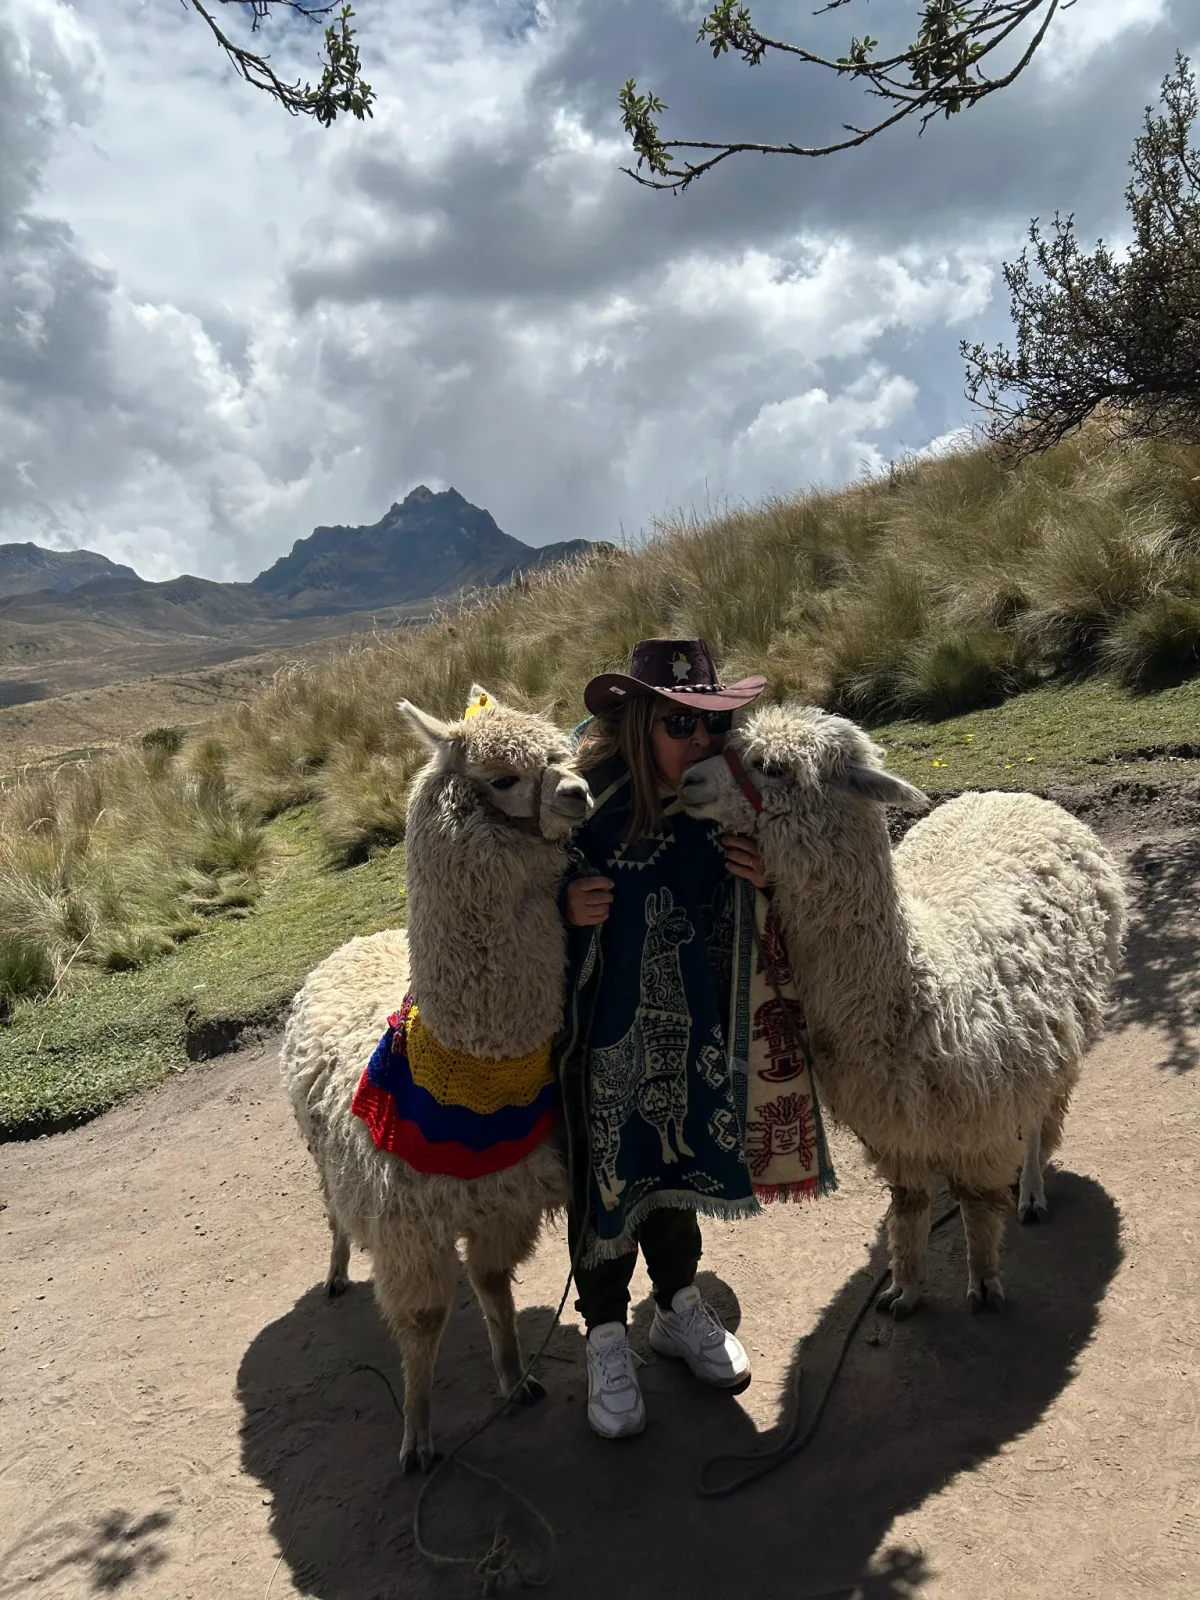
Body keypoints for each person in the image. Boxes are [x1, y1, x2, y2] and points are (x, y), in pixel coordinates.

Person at [556, 638, 774, 1441]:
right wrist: (562, 910)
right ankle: (606, 1332)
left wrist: (763, 876)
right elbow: (513, 909)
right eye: (682, 724)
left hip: (691, 1026)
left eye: (715, 724)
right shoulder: (584, 811)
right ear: (641, 721)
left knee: (678, 1163)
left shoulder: (724, 802)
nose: (702, 742)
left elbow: (773, 904)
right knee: (610, 1176)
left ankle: (678, 1305)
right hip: (603, 1034)